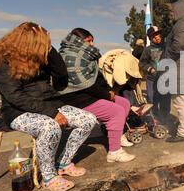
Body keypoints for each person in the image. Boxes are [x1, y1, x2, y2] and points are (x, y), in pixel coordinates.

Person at [0, 22, 97, 191]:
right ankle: (49, 177)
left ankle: (63, 163)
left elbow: (62, 77)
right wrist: (52, 114)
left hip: (48, 103)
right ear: (30, 41)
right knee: (49, 126)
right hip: (18, 111)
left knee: (88, 120)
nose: (45, 46)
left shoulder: (38, 56)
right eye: (43, 42)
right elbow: (15, 96)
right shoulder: (0, 60)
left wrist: (51, 50)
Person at [58, 28, 136, 163]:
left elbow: (97, 79)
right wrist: (107, 95)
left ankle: (117, 136)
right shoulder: (70, 57)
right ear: (78, 41)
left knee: (124, 103)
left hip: (90, 94)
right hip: (76, 98)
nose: (92, 44)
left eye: (92, 40)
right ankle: (114, 152)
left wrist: (110, 92)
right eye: (88, 41)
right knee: (116, 111)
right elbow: (86, 85)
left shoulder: (86, 55)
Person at [161, 0, 184, 142]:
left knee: (180, 102)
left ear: (180, 10)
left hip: (178, 68)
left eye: (172, 12)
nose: (170, 15)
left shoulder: (181, 24)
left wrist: (166, 59)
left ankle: (183, 133)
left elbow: (177, 46)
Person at [139, 26, 171, 122]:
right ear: (150, 38)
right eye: (154, 36)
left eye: (158, 34)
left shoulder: (167, 47)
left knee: (165, 100)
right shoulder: (148, 50)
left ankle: (165, 120)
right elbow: (142, 63)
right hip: (152, 80)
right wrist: (150, 69)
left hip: (165, 80)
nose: (157, 37)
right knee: (152, 101)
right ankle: (155, 120)